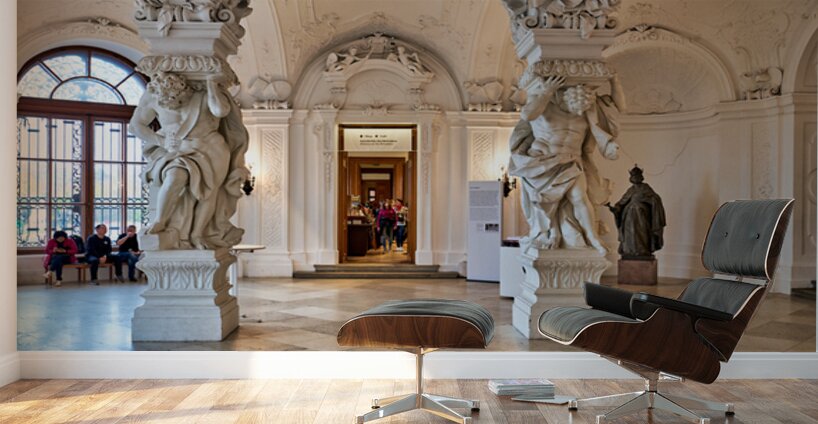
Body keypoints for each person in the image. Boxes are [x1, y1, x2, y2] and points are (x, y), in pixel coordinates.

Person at [129, 71, 249, 250]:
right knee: (174, 178)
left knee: (209, 193)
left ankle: (197, 234)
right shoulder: (152, 95)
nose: (172, 102)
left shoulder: (202, 93)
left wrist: (211, 85)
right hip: (179, 150)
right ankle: (160, 221)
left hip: (212, 148)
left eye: (177, 98)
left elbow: (220, 111)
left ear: (184, 89)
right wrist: (161, 141)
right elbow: (135, 125)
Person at [508, 74, 621, 254]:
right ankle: (553, 234)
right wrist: (546, 92)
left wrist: (614, 81)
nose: (578, 113)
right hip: (542, 161)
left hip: (570, 160)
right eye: (575, 107)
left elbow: (618, 107)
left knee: (580, 198)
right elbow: (527, 115)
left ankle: (593, 238)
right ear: (566, 98)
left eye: (582, 109)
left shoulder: (586, 111)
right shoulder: (545, 106)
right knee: (545, 202)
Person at [606, 166, 666, 258]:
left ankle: (643, 250)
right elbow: (622, 202)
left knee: (641, 233)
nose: (635, 178)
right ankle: (629, 251)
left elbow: (655, 199)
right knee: (630, 233)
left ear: (641, 177)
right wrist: (615, 208)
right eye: (633, 176)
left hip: (641, 215)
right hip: (628, 217)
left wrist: (645, 200)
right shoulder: (631, 190)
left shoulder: (646, 188)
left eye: (637, 176)